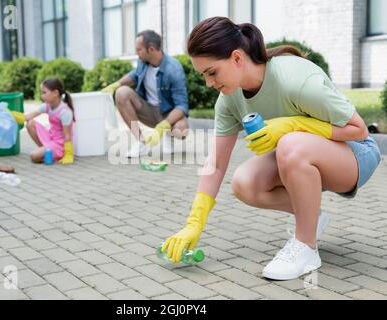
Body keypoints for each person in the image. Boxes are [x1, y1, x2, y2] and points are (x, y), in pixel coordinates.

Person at [161, 17, 381, 281]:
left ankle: (306, 247)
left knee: (289, 143)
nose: (208, 83)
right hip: (302, 158)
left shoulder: (295, 80)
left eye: (212, 72)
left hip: (355, 154)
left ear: (237, 58)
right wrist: (193, 223)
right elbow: (216, 164)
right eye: (203, 75)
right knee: (244, 183)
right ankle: (311, 218)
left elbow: (359, 130)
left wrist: (292, 124)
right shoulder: (229, 101)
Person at [102, 30, 190, 158]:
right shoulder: (142, 62)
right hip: (148, 110)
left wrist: (162, 126)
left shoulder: (173, 69)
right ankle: (141, 142)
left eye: (139, 49)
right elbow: (134, 75)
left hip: (167, 114)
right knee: (122, 93)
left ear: (151, 49)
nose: (137, 53)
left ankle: (167, 134)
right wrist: (116, 84)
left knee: (181, 130)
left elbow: (182, 106)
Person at [11, 78, 75, 165]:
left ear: (55, 93)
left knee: (33, 156)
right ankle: (46, 150)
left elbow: (67, 135)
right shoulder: (47, 106)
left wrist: (68, 154)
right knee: (30, 123)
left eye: (44, 93)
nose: (42, 96)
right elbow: (27, 117)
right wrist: (9, 114)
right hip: (50, 138)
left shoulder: (65, 112)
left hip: (59, 145)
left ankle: (51, 152)